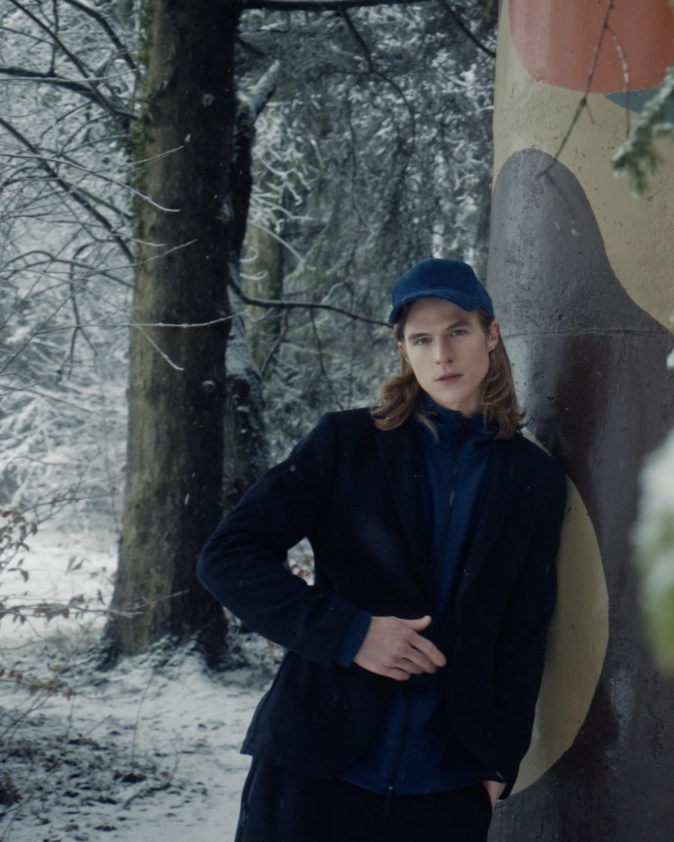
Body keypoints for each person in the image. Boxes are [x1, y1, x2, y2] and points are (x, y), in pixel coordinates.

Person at [198, 258, 565, 842]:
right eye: (421, 339)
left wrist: (499, 763)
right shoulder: (346, 444)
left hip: (446, 787)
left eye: (457, 331)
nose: (441, 354)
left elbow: (522, 632)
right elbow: (227, 555)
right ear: (403, 350)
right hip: (314, 767)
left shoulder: (535, 480)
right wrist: (350, 633)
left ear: (491, 335)